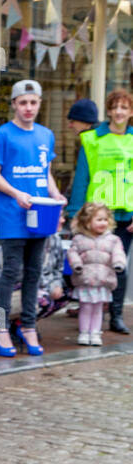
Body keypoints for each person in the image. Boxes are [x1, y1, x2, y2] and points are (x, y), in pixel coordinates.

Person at [0, 78, 67, 357]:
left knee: (35, 273)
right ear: (14, 106)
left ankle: (28, 324)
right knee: (8, 274)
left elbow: (45, 173)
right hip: (12, 214)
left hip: (41, 214)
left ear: (39, 104)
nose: (28, 108)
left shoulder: (45, 135)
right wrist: (16, 193)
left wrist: (56, 195)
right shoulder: (3, 135)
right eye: (23, 103)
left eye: (33, 103)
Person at [66, 87, 133, 335]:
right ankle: (88, 315)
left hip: (126, 216)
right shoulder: (93, 139)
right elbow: (82, 177)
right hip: (96, 216)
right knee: (91, 265)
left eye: (124, 107)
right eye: (115, 107)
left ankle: (115, 316)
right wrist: (76, 212)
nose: (119, 112)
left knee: (119, 266)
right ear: (108, 110)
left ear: (131, 112)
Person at [67, 202, 128, 346]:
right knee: (86, 307)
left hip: (103, 279)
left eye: (105, 219)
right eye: (99, 220)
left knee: (98, 308)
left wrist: (119, 263)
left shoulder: (113, 240)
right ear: (87, 222)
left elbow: (119, 253)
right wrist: (76, 264)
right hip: (86, 279)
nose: (103, 223)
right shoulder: (79, 239)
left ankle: (95, 332)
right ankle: (84, 332)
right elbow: (72, 252)